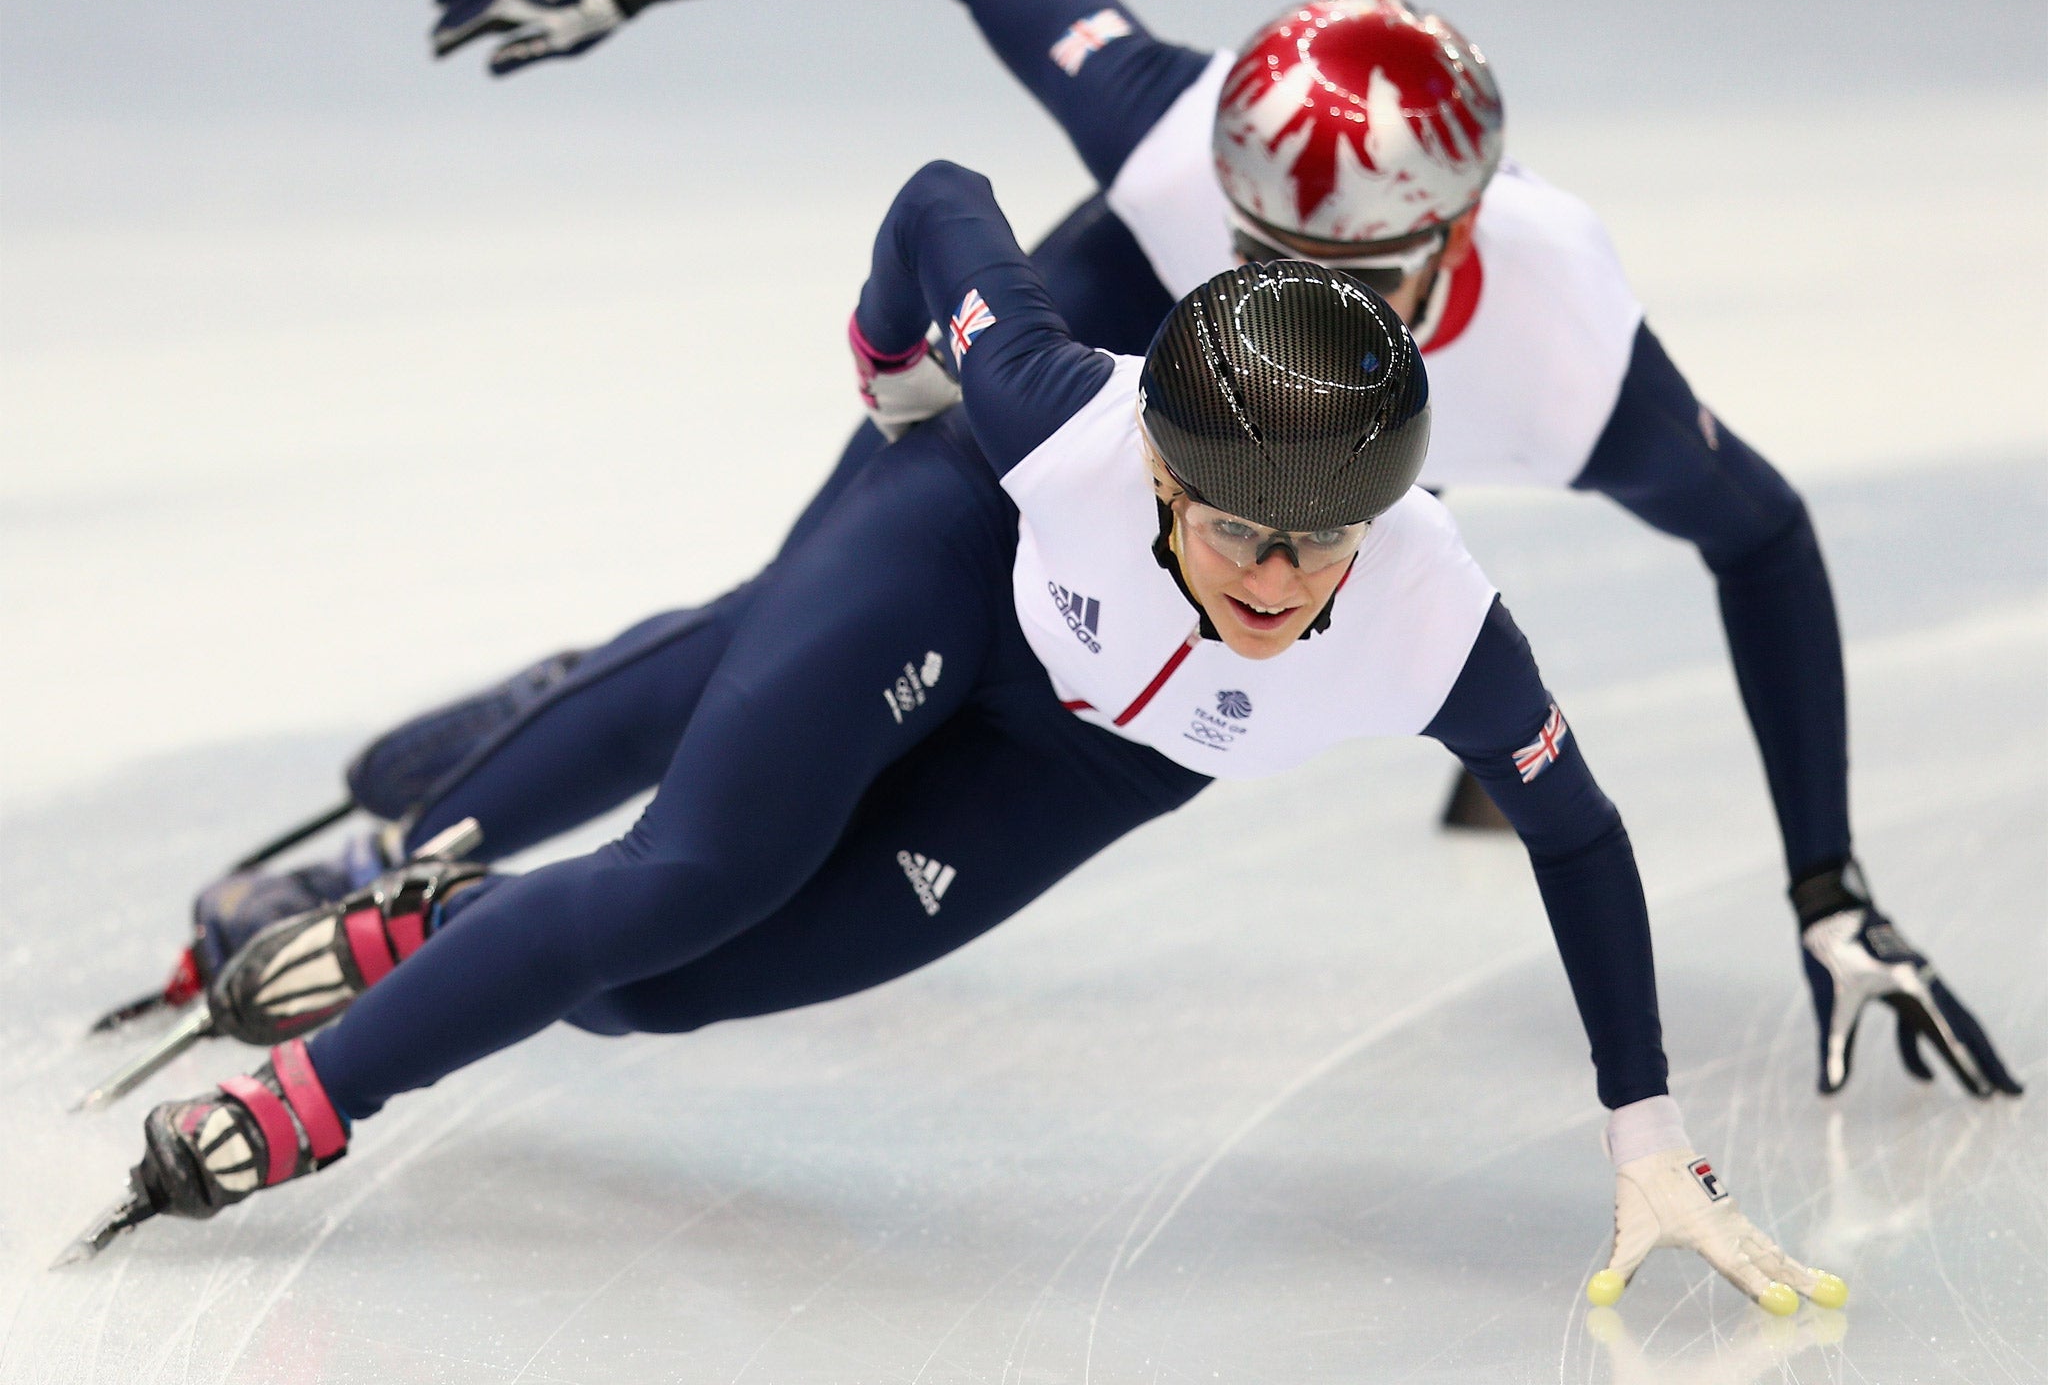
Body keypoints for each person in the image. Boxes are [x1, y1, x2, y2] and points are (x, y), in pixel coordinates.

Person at [102, 161, 1843, 1314]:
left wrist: (1644, 1135)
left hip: (1094, 762)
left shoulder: (1436, 617)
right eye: (1242, 531)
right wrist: (887, 362)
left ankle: (435, 932)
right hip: (949, 566)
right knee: (691, 879)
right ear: (1160, 469)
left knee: (671, 991)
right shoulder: (1061, 415)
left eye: (1324, 544)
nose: (1280, 581)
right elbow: (943, 198)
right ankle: (306, 1097)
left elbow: (1582, 837)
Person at [418, 0, 2020, 1100]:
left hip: (1185, 611)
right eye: (1263, 254)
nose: (1291, 300)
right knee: (779, 648)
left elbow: (1764, 533)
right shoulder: (1182, 147)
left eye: (1346, 274)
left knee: (689, 949)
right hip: (1098, 366)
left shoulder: (1570, 356)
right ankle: (418, 856)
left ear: (1460, 239)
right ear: (1227, 197)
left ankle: (489, 875)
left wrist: (1829, 884)